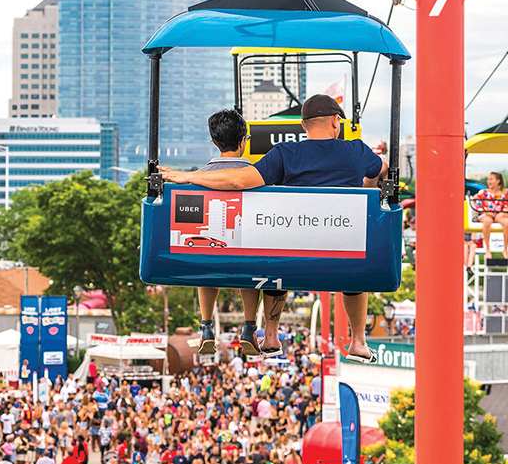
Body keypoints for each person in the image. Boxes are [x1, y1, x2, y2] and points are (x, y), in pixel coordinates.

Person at [160, 94, 387, 364]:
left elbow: (239, 182)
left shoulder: (286, 154)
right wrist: (368, 186)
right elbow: (381, 169)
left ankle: (270, 335)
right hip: (343, 261)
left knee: (273, 265)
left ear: (304, 126)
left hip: (293, 262)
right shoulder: (357, 151)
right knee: (355, 278)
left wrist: (188, 176)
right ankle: (358, 341)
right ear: (336, 122)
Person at [189, 110, 263, 355]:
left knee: (205, 266)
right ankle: (249, 327)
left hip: (211, 251)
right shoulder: (260, 178)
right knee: (251, 259)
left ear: (214, 142)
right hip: (247, 255)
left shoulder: (196, 179)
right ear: (243, 141)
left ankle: (206, 326)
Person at [472, 171, 508, 259]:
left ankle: (505, 249)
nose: (488, 181)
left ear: (497, 181)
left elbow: (506, 207)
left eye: (491, 179)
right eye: (488, 179)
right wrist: (485, 212)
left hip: (497, 215)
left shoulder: (503, 195)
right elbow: (477, 205)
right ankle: (487, 248)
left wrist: (502, 214)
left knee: (507, 222)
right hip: (486, 214)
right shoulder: (483, 192)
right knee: (487, 221)